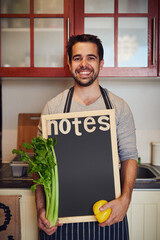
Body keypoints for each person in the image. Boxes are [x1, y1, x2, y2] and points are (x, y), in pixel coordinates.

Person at [36, 34, 138, 239]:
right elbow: (40, 167)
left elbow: (129, 157)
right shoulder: (53, 108)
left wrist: (125, 200)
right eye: (77, 58)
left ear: (101, 63)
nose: (84, 64)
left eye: (91, 58)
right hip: (61, 221)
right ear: (68, 63)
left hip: (109, 215)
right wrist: (40, 210)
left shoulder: (119, 107)